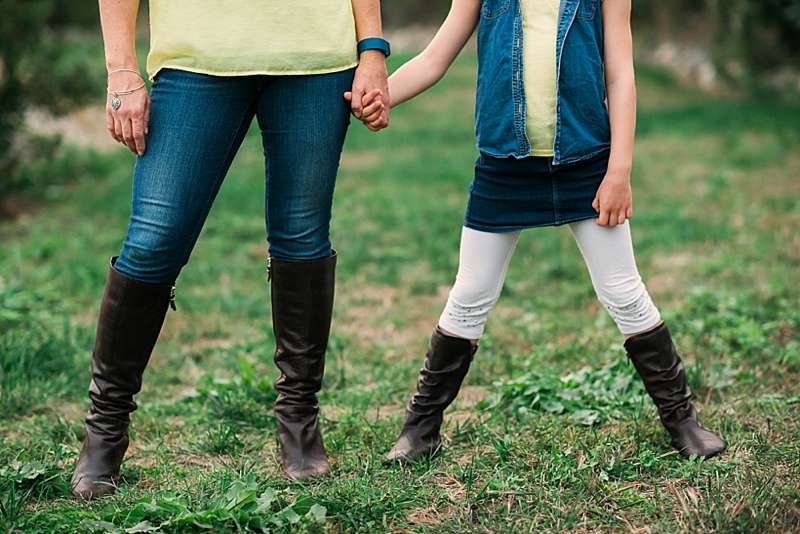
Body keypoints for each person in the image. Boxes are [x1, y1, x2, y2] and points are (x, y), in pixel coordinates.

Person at [354, 0, 726, 462]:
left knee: (624, 292)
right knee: (469, 295)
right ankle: (420, 429)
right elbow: (434, 58)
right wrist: (378, 95)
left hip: (586, 164)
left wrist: (619, 171)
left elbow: (620, 75)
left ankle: (682, 420)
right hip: (503, 167)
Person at [70, 0, 391, 499]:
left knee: (302, 237)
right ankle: (104, 433)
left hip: (315, 61)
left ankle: (299, 425)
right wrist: (121, 69)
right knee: (154, 241)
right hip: (196, 61)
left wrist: (372, 48)